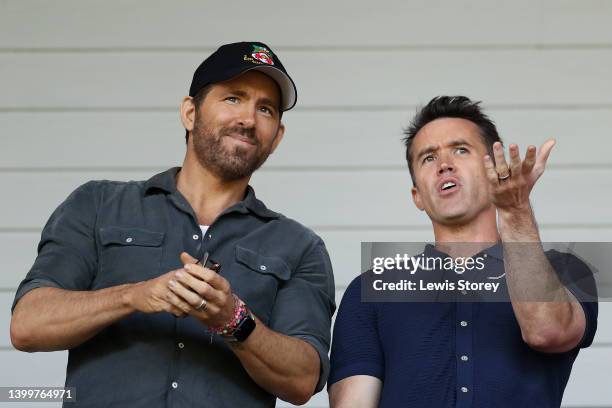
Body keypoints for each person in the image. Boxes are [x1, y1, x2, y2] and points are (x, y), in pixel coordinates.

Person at [10, 41, 336, 408]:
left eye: (265, 109)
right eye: (233, 98)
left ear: (277, 137)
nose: (248, 119)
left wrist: (234, 319)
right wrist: (134, 295)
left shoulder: (300, 246)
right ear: (190, 113)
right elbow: (27, 325)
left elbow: (303, 380)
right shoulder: (98, 205)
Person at [328, 96, 598, 408]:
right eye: (428, 158)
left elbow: (548, 332)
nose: (444, 164)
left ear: (496, 169)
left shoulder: (565, 270)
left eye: (460, 149)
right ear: (417, 195)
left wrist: (514, 211)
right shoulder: (369, 290)